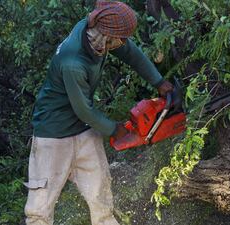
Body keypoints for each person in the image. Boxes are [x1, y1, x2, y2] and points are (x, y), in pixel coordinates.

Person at [24, 1, 173, 224]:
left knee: (101, 199)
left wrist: (158, 81)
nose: (123, 43)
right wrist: (115, 129)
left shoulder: (98, 32)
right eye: (120, 39)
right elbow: (84, 109)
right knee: (40, 209)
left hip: (84, 130)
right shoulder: (72, 61)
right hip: (52, 136)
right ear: (106, 35)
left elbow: (130, 52)